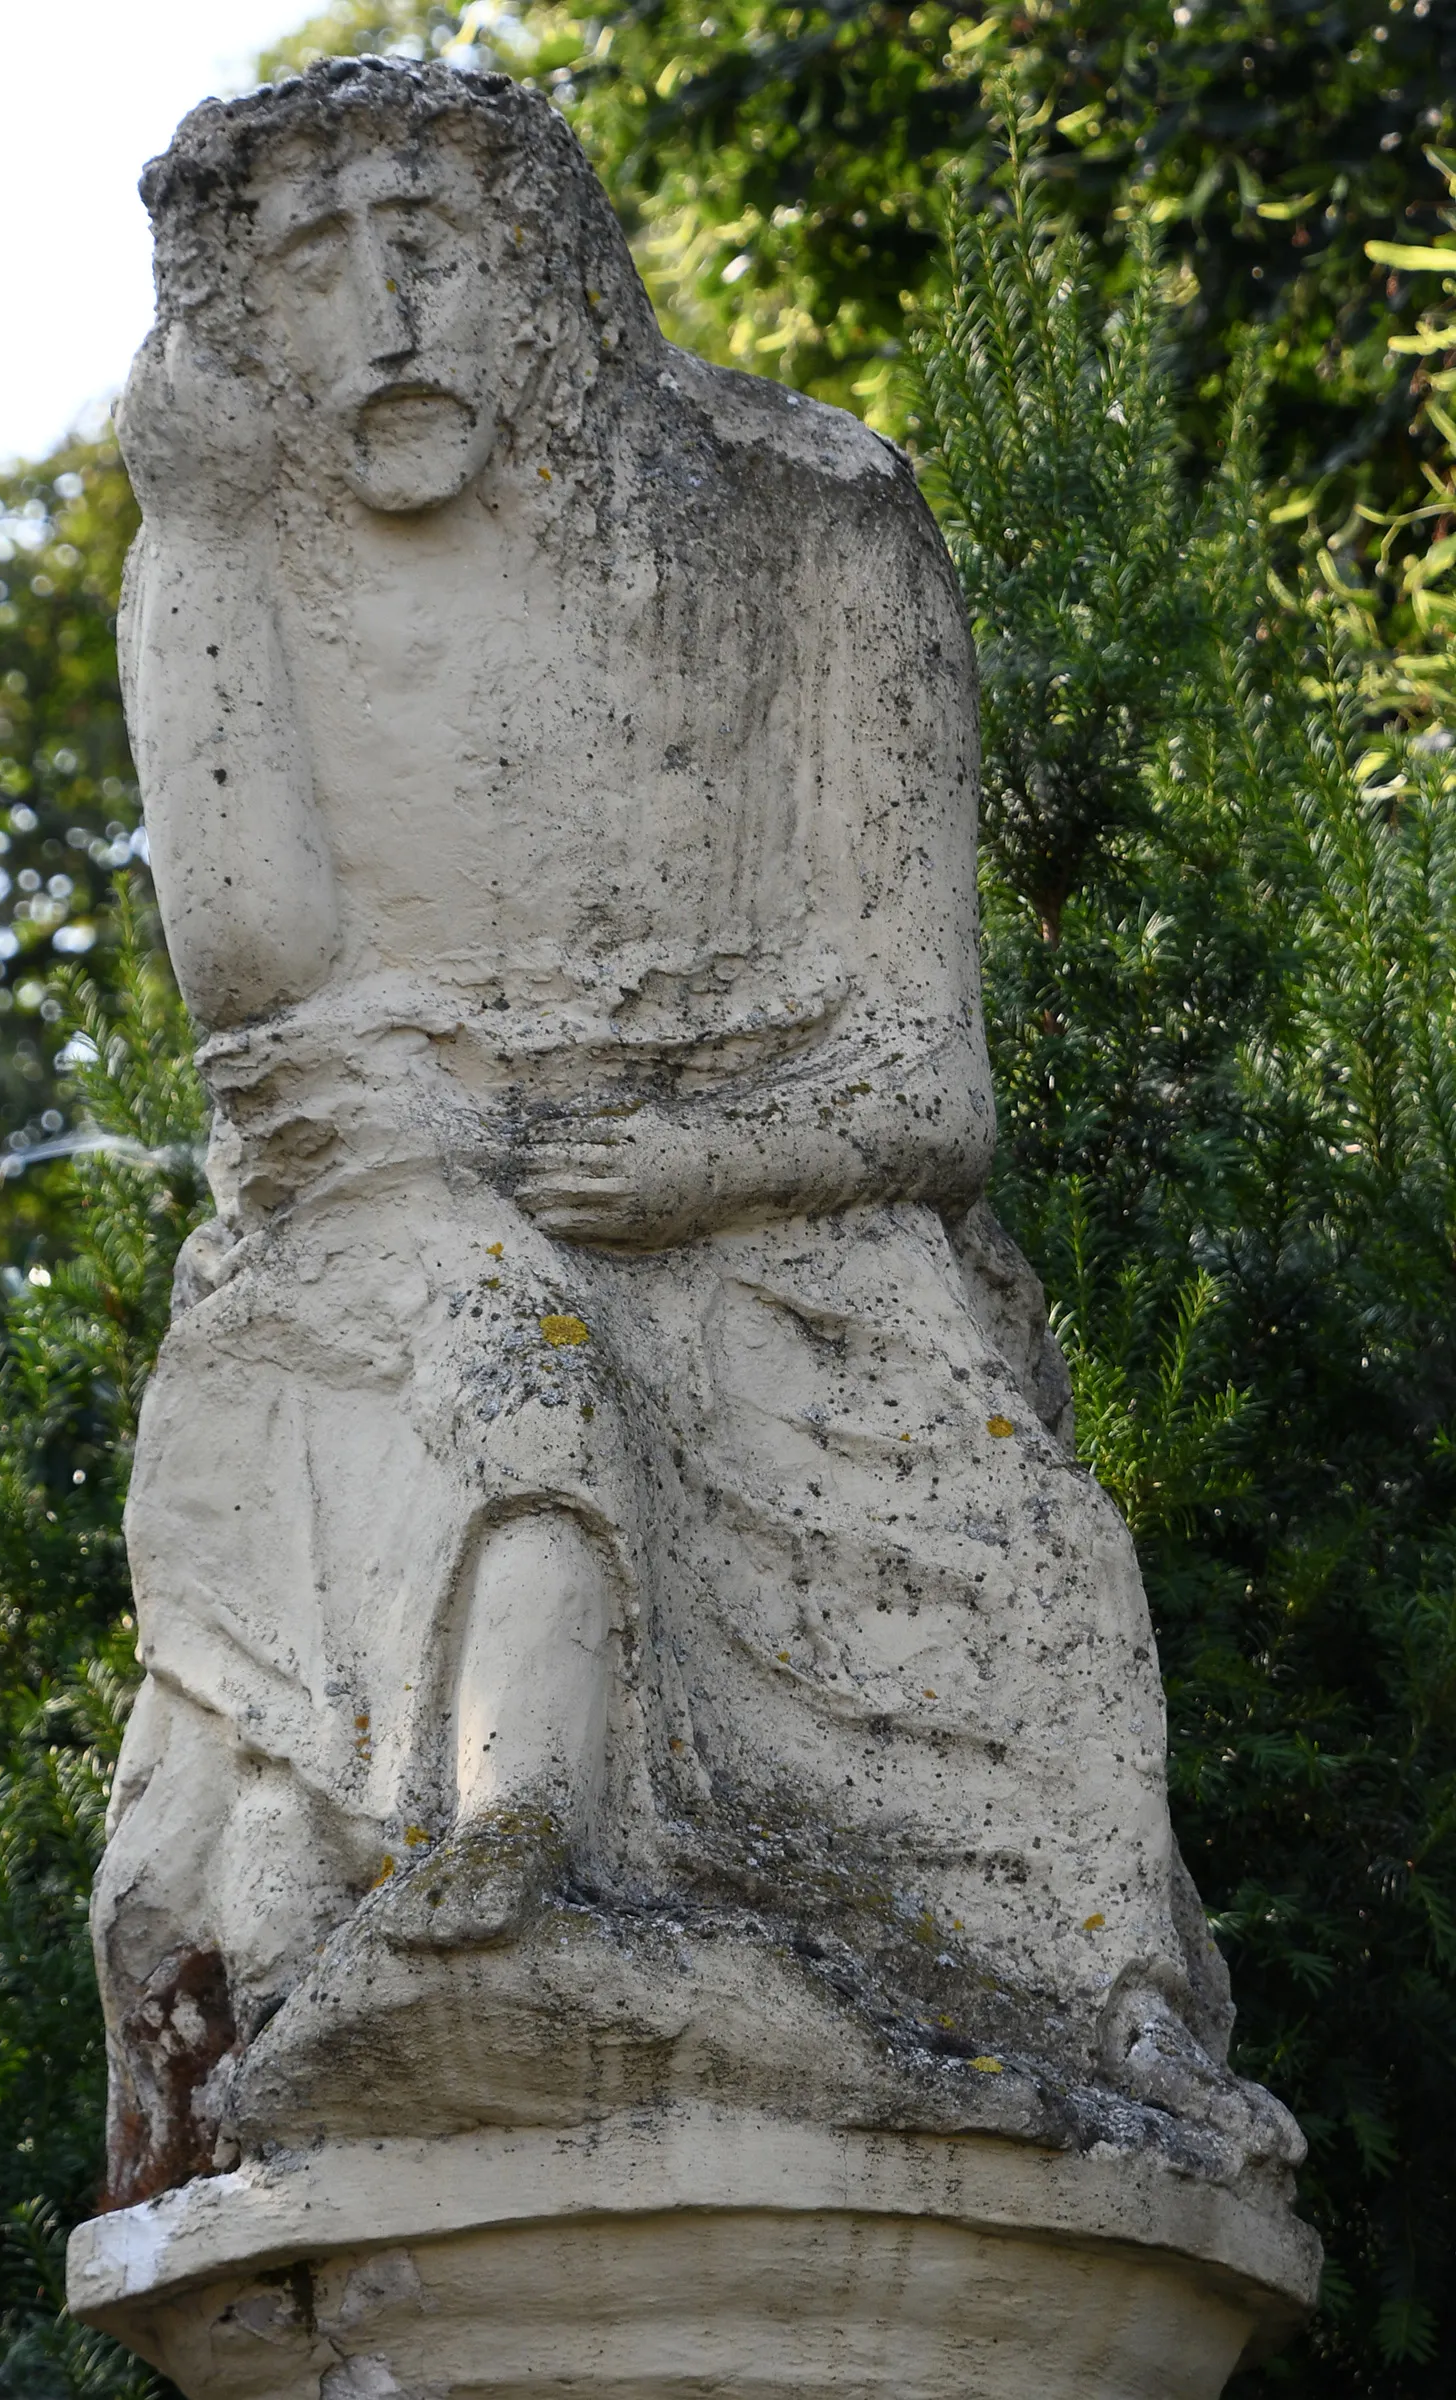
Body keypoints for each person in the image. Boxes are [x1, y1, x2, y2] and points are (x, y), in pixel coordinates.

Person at [93, 55, 1289, 2206]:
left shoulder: (808, 526)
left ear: (546, 272)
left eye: (430, 248)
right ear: (236, 333)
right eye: (308, 267)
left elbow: (927, 1087)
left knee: (1020, 1562)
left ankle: (1009, 2026)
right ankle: (499, 1870)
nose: (380, 318)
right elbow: (257, 983)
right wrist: (189, 537)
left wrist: (688, 1174)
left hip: (789, 1222)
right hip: (425, 1222)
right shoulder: (241, 561)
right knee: (482, 1343)